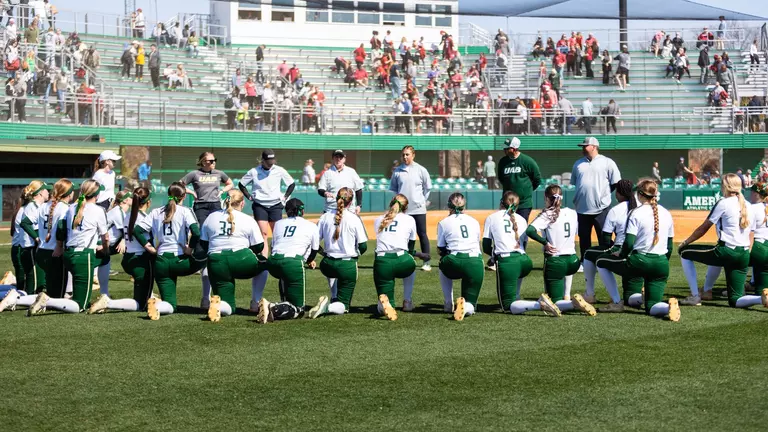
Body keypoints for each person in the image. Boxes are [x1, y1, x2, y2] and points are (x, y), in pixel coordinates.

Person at [595, 179, 680, 321]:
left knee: (601, 261)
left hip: (639, 261)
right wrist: (663, 262)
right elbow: (670, 247)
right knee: (651, 306)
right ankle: (667, 307)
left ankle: (616, 302)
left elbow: (628, 243)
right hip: (661, 264)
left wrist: (620, 255)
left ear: (640, 194)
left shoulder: (636, 213)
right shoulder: (666, 213)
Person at [679, 174, 766, 310]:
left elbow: (704, 228)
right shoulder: (749, 206)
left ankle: (695, 296)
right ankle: (761, 299)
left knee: (684, 252)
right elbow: (751, 234)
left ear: (725, 186)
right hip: (743, 254)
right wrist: (746, 253)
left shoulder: (723, 203)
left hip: (726, 250)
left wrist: (686, 242)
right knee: (735, 300)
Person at [27, 180, 108, 315]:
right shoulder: (96, 210)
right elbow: (106, 237)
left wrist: (59, 245)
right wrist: (105, 249)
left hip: (66, 253)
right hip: (82, 254)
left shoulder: (71, 208)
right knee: (80, 305)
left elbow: (61, 229)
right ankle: (47, 300)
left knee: (68, 293)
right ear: (97, 195)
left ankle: (37, 299)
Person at [513, 185, 596, 316]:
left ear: (546, 198)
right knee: (564, 271)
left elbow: (530, 230)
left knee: (553, 302)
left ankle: (572, 304)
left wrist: (545, 243)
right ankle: (567, 295)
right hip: (573, 260)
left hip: (556, 262)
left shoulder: (547, 214)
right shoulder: (572, 212)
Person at [128, 182, 204, 319]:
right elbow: (196, 233)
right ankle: (208, 299)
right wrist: (189, 250)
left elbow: (136, 230)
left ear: (168, 195)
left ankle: (156, 306)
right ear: (184, 196)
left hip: (161, 261)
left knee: (170, 304)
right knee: (208, 258)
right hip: (179, 260)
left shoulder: (156, 211)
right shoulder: (185, 211)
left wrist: (149, 247)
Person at [201, 190, 268, 322]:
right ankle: (255, 302)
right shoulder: (248, 219)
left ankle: (219, 305)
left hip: (216, 262)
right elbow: (259, 247)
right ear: (242, 203)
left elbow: (204, 244)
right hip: (241, 260)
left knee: (229, 306)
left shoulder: (211, 217)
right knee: (264, 264)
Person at [181, 152, 234, 308]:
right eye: (210, 161)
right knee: (203, 236)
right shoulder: (194, 174)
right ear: (203, 162)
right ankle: (201, 262)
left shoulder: (219, 173)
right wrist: (191, 192)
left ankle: (213, 257)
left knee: (215, 236)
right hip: (201, 207)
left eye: (214, 160)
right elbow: (178, 185)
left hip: (216, 205)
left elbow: (230, 183)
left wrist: (223, 191)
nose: (213, 163)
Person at [307, 188, 368, 319]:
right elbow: (363, 246)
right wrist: (354, 256)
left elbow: (315, 243)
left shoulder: (325, 216)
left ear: (336, 199)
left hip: (327, 264)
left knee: (334, 272)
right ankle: (328, 306)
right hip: (346, 264)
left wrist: (323, 253)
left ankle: (334, 297)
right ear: (351, 202)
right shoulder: (354, 218)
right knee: (344, 306)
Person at [259, 198, 320, 324]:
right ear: (302, 211)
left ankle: (280, 306)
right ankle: (272, 307)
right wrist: (309, 260)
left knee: (284, 277)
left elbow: (273, 245)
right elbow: (315, 249)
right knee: (299, 310)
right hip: (292, 263)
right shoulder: (311, 226)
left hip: (274, 261)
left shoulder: (279, 224)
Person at [581, 179, 637, 307]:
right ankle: (641, 297)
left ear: (619, 193)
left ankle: (590, 294)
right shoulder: (640, 208)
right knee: (631, 298)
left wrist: (611, 247)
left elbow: (605, 238)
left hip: (621, 248)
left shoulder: (615, 210)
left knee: (589, 253)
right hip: (640, 249)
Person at [572, 137, 621, 267]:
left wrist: (603, 196)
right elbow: (575, 182)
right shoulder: (578, 164)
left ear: (594, 146)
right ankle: (585, 261)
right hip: (582, 208)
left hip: (601, 208)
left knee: (603, 236)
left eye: (585, 146)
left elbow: (615, 182)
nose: (583, 148)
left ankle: (605, 260)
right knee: (584, 238)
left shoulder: (607, 162)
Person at [482, 191, 532, 314]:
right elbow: (524, 245)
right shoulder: (521, 219)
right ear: (517, 205)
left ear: (501, 202)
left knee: (507, 307)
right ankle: (517, 296)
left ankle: (537, 304)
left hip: (508, 263)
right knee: (514, 297)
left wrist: (494, 256)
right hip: (525, 262)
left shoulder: (491, 217)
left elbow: (486, 246)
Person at [372, 194, 421, 320]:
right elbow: (410, 246)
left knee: (384, 301)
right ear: (405, 207)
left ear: (391, 204)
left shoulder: (378, 219)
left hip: (382, 262)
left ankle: (385, 305)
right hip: (402, 261)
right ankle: (407, 301)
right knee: (411, 261)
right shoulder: (410, 219)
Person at [437, 193, 484, 321]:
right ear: (464, 206)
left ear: (448, 206)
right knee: (471, 305)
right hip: (475, 262)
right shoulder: (474, 221)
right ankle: (466, 307)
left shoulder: (443, 222)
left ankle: (448, 302)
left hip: (454, 261)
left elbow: (440, 249)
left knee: (442, 264)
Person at [389, 145, 433, 274]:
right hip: (402, 210)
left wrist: (422, 201)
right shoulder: (397, 171)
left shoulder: (421, 170)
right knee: (404, 235)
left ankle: (427, 262)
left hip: (418, 209)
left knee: (422, 234)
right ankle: (408, 260)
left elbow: (428, 187)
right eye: (403, 154)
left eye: (407, 154)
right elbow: (394, 190)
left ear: (413, 155)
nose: (405, 157)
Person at [238, 149, 295, 246]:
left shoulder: (279, 170)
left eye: (272, 162)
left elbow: (291, 184)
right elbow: (241, 184)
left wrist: (285, 197)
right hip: (260, 205)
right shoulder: (253, 172)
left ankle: (276, 256)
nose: (270, 164)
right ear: (262, 160)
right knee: (263, 234)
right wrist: (249, 197)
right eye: (268, 162)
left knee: (277, 234)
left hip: (276, 205)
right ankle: (264, 260)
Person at [36, 178, 74, 299]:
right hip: (55, 254)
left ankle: (21, 298)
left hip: (41, 251)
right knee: (56, 296)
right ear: (68, 193)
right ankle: (17, 299)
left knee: (50, 292)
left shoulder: (43, 206)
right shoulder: (65, 208)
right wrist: (59, 246)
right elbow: (61, 230)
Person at [119, 187, 154, 314]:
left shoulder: (128, 215)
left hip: (128, 257)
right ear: (148, 202)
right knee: (141, 304)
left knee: (143, 297)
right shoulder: (143, 217)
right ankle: (110, 302)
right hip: (141, 260)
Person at [11, 180, 50, 295]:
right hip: (28, 248)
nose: (49, 192)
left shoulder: (38, 206)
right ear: (40, 193)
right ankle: (13, 299)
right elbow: (25, 223)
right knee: (30, 287)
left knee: (34, 284)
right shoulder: (32, 206)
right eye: (46, 189)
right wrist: (37, 238)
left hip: (30, 248)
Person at [94, 190, 132, 296]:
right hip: (101, 243)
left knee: (104, 263)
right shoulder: (118, 211)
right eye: (131, 197)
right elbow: (125, 230)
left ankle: (104, 293)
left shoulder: (120, 211)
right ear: (126, 200)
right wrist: (123, 241)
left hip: (106, 243)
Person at [749, 182, 768, 294]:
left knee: (735, 260)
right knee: (762, 291)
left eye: (751, 192)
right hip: (766, 244)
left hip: (758, 246)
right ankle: (754, 284)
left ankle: (737, 289)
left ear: (756, 193)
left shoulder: (752, 208)